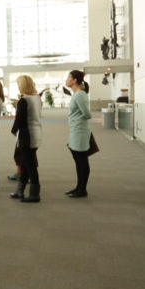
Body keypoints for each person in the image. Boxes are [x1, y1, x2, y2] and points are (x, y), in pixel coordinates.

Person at [10, 75, 43, 203]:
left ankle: (35, 194)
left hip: (26, 135)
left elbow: (20, 119)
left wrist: (13, 131)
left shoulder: (24, 100)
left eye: (19, 84)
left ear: (23, 85)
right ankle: (20, 191)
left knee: (30, 166)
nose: (18, 87)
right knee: (25, 163)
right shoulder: (37, 98)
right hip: (36, 133)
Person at [65, 70, 92, 198]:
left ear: (75, 80)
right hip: (76, 130)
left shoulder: (80, 95)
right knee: (77, 159)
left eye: (68, 78)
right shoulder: (76, 94)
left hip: (80, 130)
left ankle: (82, 189)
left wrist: (75, 119)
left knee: (82, 160)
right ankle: (78, 187)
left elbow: (87, 114)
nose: (66, 80)